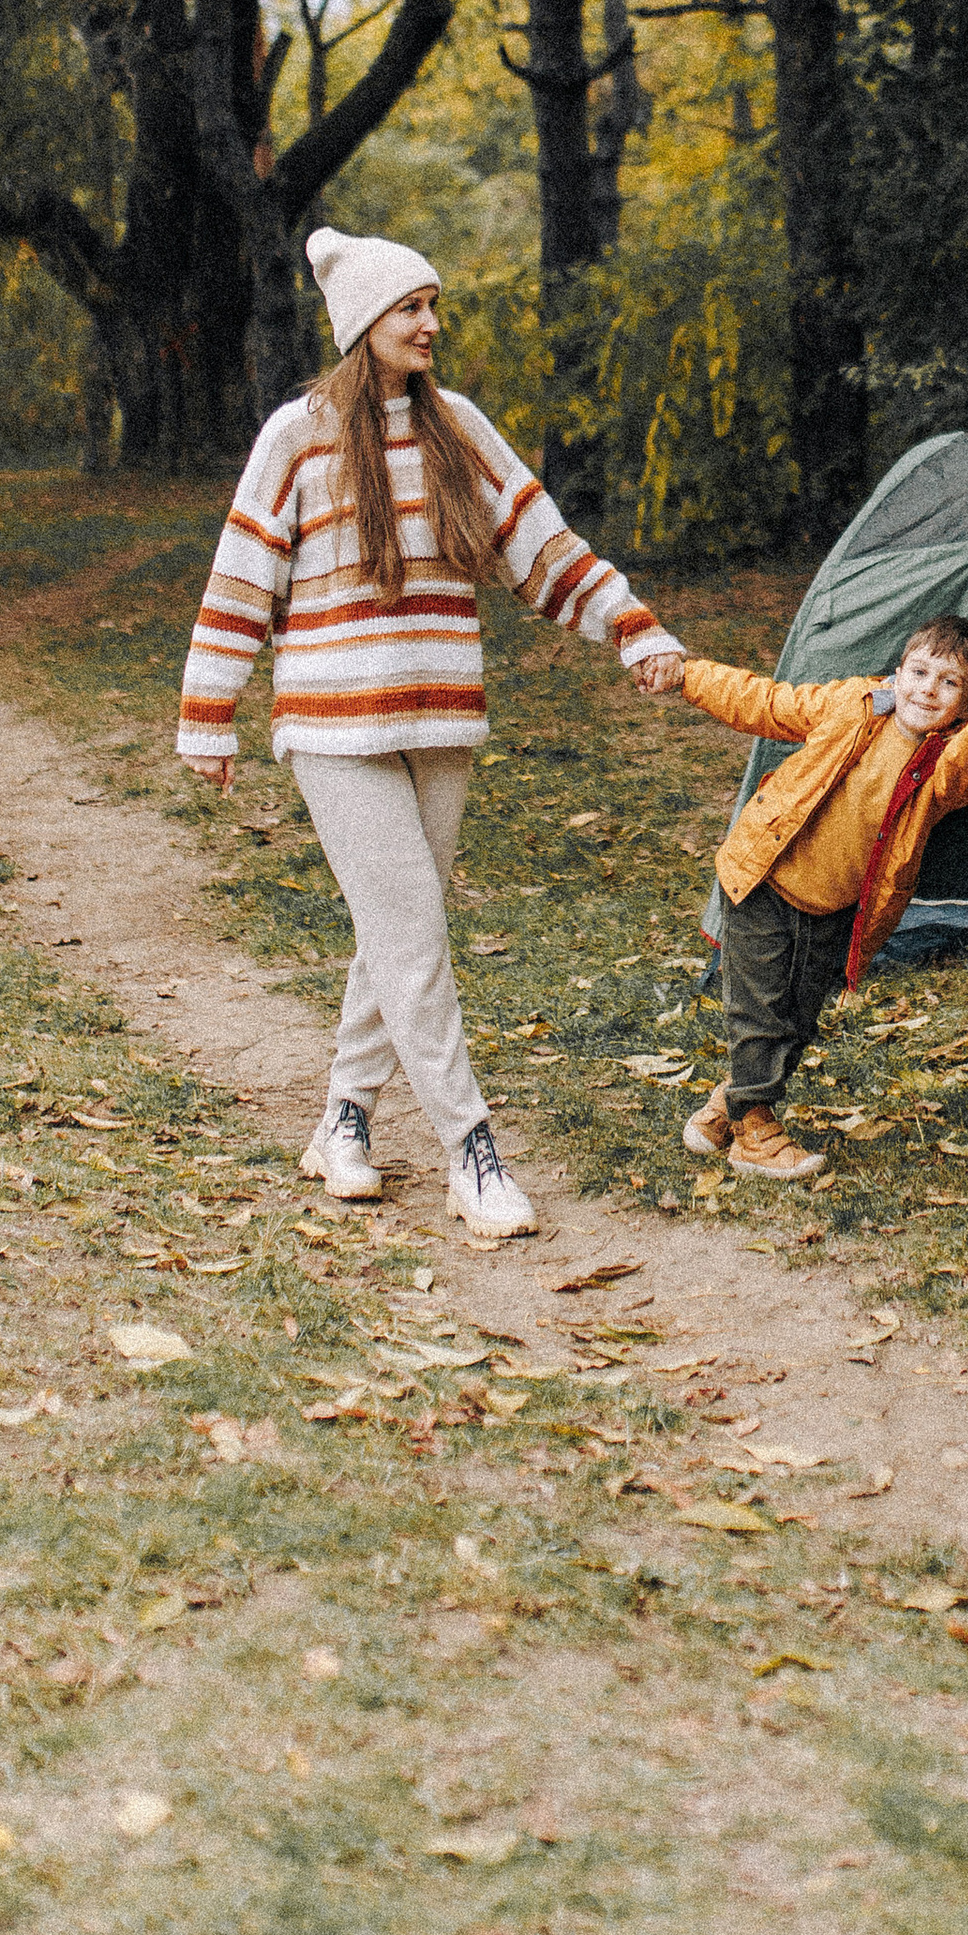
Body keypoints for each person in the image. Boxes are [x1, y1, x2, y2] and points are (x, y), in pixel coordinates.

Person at [176, 225, 682, 1238]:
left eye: (432, 305)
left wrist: (633, 630)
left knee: (395, 932)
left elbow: (542, 546)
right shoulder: (297, 436)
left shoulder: (458, 428)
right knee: (411, 933)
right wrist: (209, 713)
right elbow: (242, 578)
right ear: (365, 323)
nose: (430, 324)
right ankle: (470, 1150)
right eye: (411, 308)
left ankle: (345, 1119)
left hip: (440, 715)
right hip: (331, 724)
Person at [644, 613, 968, 1180]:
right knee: (760, 1010)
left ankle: (730, 1105)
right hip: (764, 879)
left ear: (966, 707)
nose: (927, 689)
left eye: (949, 684)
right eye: (919, 672)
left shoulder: (942, 765)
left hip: (837, 909)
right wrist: (687, 675)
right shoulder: (853, 705)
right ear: (897, 674)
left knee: (797, 1020)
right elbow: (765, 702)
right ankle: (755, 1132)